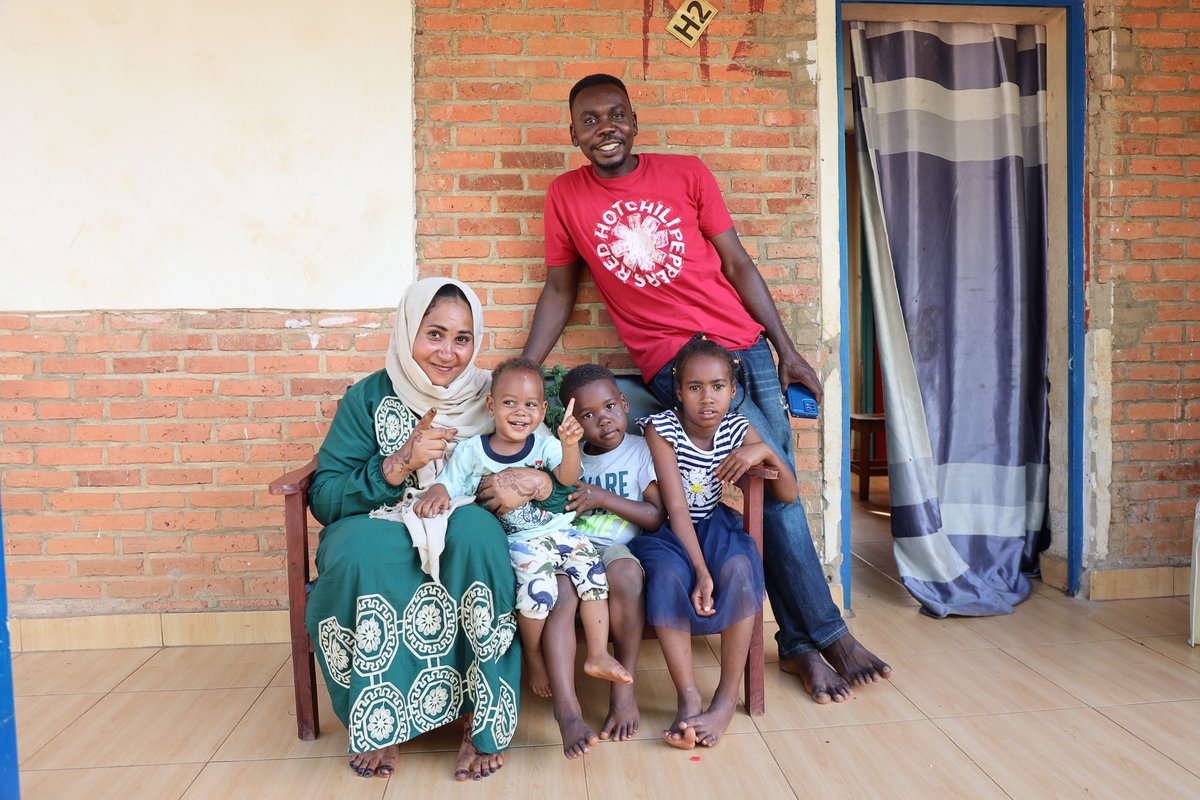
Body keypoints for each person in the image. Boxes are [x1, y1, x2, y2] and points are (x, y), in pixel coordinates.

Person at [523, 73, 892, 705]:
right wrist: (526, 374)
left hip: (742, 351)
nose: (604, 127)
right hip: (681, 370)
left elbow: (738, 263)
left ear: (634, 120)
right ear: (574, 133)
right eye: (589, 120)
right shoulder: (567, 195)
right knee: (768, 494)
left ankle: (805, 643)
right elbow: (561, 289)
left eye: (615, 115)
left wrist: (786, 348)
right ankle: (823, 637)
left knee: (774, 490)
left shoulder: (687, 172)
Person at [305, 278, 553, 781]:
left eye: (462, 339)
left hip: (464, 514)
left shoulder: (496, 394)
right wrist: (397, 463)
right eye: (434, 334)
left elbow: (559, 472)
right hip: (380, 516)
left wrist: (535, 483)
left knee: (478, 538)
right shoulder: (370, 397)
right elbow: (325, 497)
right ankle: (383, 720)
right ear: (406, 331)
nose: (448, 352)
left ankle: (477, 722)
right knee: (358, 555)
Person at [415, 357, 632, 701]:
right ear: (491, 406)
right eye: (509, 403)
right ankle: (532, 653)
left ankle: (597, 653)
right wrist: (437, 492)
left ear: (543, 410)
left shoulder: (546, 445)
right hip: (521, 543)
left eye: (530, 404)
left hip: (563, 532)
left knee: (594, 578)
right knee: (538, 594)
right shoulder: (474, 452)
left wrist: (570, 444)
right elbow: (449, 482)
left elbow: (569, 479)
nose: (520, 412)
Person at [630, 336, 795, 748]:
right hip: (667, 528)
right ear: (678, 390)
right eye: (695, 387)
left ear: (733, 390)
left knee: (741, 566)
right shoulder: (661, 429)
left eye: (718, 387)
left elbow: (789, 493)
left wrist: (763, 452)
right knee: (667, 576)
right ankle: (688, 700)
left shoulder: (739, 428)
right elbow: (676, 508)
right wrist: (701, 571)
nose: (708, 398)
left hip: (714, 524)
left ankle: (723, 702)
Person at [538, 364, 666, 757]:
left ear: (624, 403)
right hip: (571, 547)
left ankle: (623, 687)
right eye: (587, 415)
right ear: (571, 423)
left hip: (614, 549)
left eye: (610, 406)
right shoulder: (565, 457)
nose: (603, 420)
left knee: (627, 574)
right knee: (559, 591)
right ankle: (567, 708)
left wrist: (601, 498)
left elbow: (655, 516)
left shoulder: (640, 449)